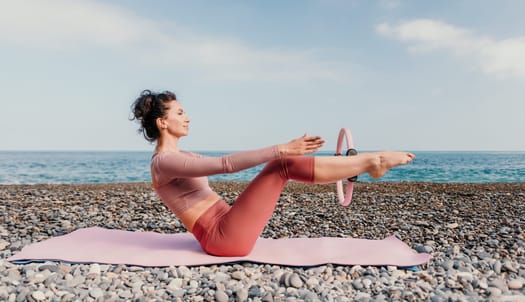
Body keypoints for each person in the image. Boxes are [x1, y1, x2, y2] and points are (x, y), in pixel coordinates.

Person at [131, 89, 415, 257]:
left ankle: (368, 163)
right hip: (222, 238)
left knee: (285, 164)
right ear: (162, 122)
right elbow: (225, 165)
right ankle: (370, 163)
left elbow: (226, 162)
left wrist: (287, 150)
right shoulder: (163, 162)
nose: (187, 117)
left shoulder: (181, 156)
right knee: (281, 164)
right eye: (179, 113)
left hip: (228, 228)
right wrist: (282, 148)